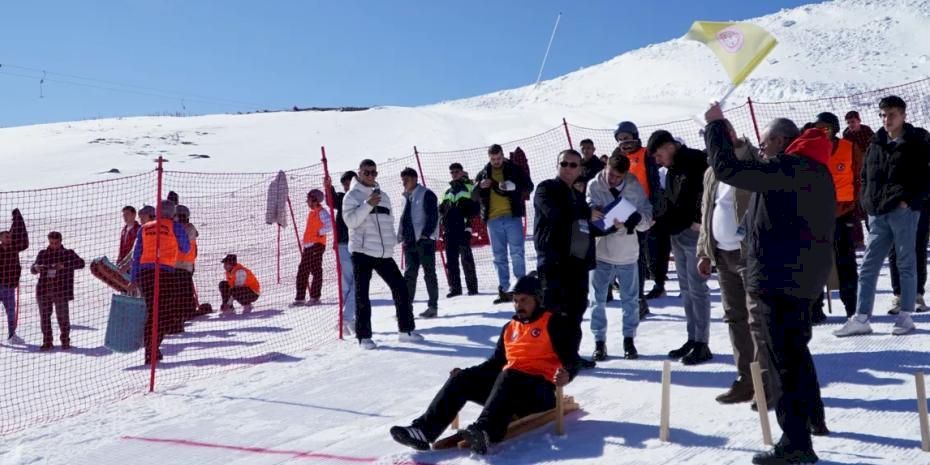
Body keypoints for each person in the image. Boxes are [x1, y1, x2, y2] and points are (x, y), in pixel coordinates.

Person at [706, 104, 835, 465]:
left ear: (780, 141)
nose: (762, 151)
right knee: (795, 351)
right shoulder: (813, 170)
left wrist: (714, 126)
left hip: (779, 281)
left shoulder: (789, 168)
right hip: (800, 279)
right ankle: (812, 418)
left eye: (764, 144)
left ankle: (795, 444)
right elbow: (748, 170)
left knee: (782, 363)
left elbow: (728, 169)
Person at [389, 275, 577, 455]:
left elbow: (573, 360)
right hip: (510, 390)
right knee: (463, 379)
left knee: (509, 374)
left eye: (524, 300)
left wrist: (567, 374)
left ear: (537, 300)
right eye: (516, 300)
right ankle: (423, 431)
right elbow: (494, 364)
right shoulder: (510, 327)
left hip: (539, 394)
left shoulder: (553, 323)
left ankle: (485, 431)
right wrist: (465, 375)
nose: (519, 305)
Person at [835, 95, 930, 337]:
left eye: (892, 115)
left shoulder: (917, 142)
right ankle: (861, 317)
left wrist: (908, 201)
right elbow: (866, 175)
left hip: (903, 212)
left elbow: (925, 177)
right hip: (877, 213)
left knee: (906, 263)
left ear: (903, 116)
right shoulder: (875, 143)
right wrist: (867, 202)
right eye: (883, 115)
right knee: (868, 266)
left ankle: (906, 315)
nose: (887, 119)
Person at [697, 121, 765, 403]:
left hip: (748, 252)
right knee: (734, 317)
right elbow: (706, 213)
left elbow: (752, 157)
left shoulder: (748, 164)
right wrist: (703, 251)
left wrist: (736, 143)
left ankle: (765, 380)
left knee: (757, 318)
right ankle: (745, 379)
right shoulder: (711, 173)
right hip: (722, 255)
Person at [342, 159, 422, 349]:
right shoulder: (351, 196)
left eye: (373, 172)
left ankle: (406, 330)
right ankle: (364, 337)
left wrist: (392, 242)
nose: (370, 176)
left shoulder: (384, 196)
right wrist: (367, 205)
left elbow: (388, 222)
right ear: (359, 173)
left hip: (383, 253)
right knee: (362, 295)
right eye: (366, 172)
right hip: (362, 252)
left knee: (401, 288)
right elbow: (351, 222)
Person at [648, 129, 713, 365]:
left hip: (695, 233)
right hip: (678, 233)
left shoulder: (697, 160)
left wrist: (702, 221)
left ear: (668, 146)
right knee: (685, 290)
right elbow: (673, 201)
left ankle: (703, 343)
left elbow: (705, 195)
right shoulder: (672, 169)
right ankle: (692, 338)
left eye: (657, 154)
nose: (657, 160)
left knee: (698, 290)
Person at [534, 149, 597, 368]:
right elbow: (555, 215)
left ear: (580, 169)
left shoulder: (578, 196)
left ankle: (571, 355)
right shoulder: (545, 188)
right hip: (554, 261)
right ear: (557, 165)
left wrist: (614, 224)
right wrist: (587, 215)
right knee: (553, 313)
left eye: (573, 165)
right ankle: (549, 357)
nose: (568, 168)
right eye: (564, 164)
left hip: (577, 263)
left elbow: (585, 227)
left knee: (576, 312)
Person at [586, 153, 652, 361]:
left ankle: (629, 340)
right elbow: (586, 211)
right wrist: (592, 213)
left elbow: (647, 218)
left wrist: (634, 220)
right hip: (601, 252)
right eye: (611, 174)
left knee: (630, 300)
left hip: (627, 253)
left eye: (618, 177)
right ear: (605, 167)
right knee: (597, 300)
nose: (613, 180)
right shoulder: (594, 185)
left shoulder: (634, 186)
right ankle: (599, 342)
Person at [811, 112, 863, 321]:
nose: (822, 132)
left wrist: (857, 204)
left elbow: (861, 176)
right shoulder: (809, 150)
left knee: (846, 262)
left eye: (826, 128)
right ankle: (815, 309)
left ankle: (852, 308)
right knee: (814, 263)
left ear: (835, 129)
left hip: (843, 213)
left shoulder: (849, 148)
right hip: (815, 215)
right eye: (818, 128)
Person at [130, 200, 190, 364]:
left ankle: (150, 348)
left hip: (145, 272)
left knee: (152, 310)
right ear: (172, 213)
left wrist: (133, 278)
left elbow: (136, 255)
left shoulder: (145, 227)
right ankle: (153, 347)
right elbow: (186, 248)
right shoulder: (175, 226)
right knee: (163, 312)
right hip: (165, 271)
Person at [475, 144, 534, 304]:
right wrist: (479, 186)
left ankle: (521, 286)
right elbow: (473, 195)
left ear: (502, 155)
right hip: (492, 219)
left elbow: (529, 186)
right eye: (493, 159)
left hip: (512, 216)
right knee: (498, 255)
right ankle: (504, 288)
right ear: (489, 158)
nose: (496, 161)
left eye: (498, 158)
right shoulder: (483, 173)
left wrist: (514, 186)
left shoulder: (514, 169)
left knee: (517, 251)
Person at [614, 121, 663, 315]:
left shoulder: (645, 154)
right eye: (620, 139)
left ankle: (639, 297)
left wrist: (655, 211)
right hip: (622, 211)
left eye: (627, 138)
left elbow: (655, 182)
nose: (624, 143)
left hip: (642, 211)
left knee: (638, 255)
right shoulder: (616, 157)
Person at [397, 168, 440, 318]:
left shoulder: (426, 194)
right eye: (402, 180)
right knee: (409, 275)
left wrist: (425, 234)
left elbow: (433, 216)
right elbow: (404, 218)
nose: (404, 183)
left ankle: (433, 307)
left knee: (429, 273)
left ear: (415, 178)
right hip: (409, 242)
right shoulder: (404, 197)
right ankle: (406, 308)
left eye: (406, 180)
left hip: (424, 242)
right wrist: (401, 236)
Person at [31, 231, 85, 351]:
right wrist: (36, 268)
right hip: (44, 290)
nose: (54, 245)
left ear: (61, 241)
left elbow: (81, 263)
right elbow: (33, 268)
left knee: (63, 317)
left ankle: (65, 341)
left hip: (61, 290)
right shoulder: (43, 253)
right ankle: (47, 341)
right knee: (44, 317)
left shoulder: (68, 253)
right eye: (51, 243)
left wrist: (64, 265)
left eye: (56, 243)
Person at [440, 163, 479, 298]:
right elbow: (441, 211)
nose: (454, 174)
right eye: (452, 172)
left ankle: (472, 288)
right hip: (449, 230)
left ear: (462, 172)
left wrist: (469, 227)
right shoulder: (447, 191)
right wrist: (442, 227)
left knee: (466, 259)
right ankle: (455, 288)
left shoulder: (469, 187)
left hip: (463, 228)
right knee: (451, 261)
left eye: (457, 171)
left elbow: (475, 210)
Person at [327, 171, 358, 335]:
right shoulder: (343, 198)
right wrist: (328, 187)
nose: (347, 186)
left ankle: (346, 318)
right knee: (347, 284)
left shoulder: (361, 198)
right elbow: (331, 200)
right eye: (344, 183)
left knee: (357, 283)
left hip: (358, 244)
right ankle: (350, 320)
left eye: (349, 182)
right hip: (343, 244)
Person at [293, 189, 331, 306]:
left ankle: (315, 297)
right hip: (309, 246)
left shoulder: (321, 212)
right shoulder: (312, 213)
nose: (307, 202)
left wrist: (320, 232)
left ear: (314, 200)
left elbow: (330, 225)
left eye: (308, 199)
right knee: (303, 271)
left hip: (317, 245)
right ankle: (300, 298)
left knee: (315, 270)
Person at [0, 209, 28, 345]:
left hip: (9, 286)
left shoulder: (14, 248)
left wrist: (18, 220)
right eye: (5, 236)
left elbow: (25, 242)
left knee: (11, 312)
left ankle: (12, 335)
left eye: (9, 236)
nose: (8, 238)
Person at [173, 205, 199, 327]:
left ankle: (188, 311)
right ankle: (185, 311)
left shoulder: (189, 228)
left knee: (184, 289)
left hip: (185, 264)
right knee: (181, 289)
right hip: (177, 264)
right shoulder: (179, 228)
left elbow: (182, 244)